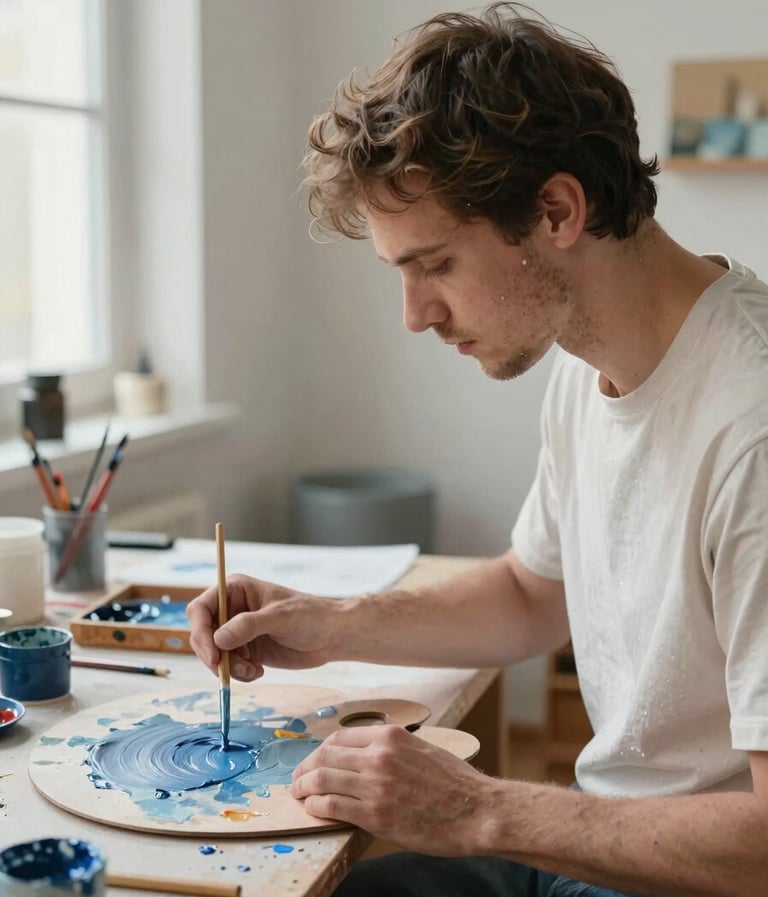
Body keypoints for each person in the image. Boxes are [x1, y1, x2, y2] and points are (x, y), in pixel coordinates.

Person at [187, 4, 768, 895]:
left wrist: (478, 809)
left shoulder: (752, 427)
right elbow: (531, 594)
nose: (415, 315)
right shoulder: (589, 363)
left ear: (557, 210)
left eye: (436, 266)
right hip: (599, 851)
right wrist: (325, 622)